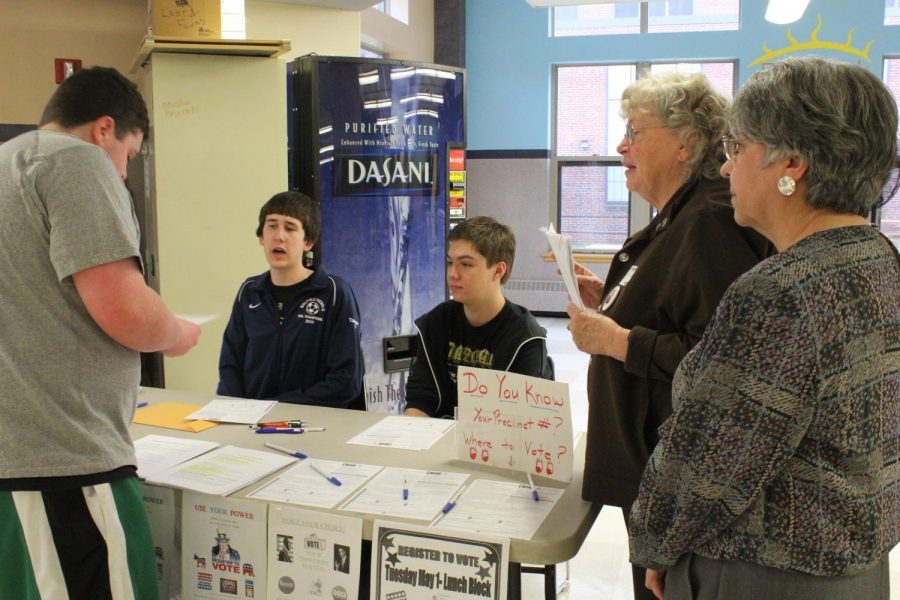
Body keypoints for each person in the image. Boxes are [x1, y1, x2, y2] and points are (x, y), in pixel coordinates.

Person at [628, 57, 900, 600]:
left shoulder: (779, 291)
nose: (726, 169)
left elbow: (708, 462)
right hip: (857, 566)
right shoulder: (879, 259)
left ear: (791, 164)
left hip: (762, 572)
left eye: (737, 149)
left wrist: (654, 545)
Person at [565, 71, 772, 599]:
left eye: (636, 131)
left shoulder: (710, 220)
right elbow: (669, 306)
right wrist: (610, 301)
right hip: (651, 467)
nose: (621, 144)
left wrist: (615, 340)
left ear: (688, 144)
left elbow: (722, 363)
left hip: (675, 477)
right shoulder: (679, 216)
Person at [0, 66, 201, 599]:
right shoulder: (75, 162)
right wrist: (175, 333)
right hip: (64, 458)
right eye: (129, 158)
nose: (122, 175)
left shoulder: (7, 163)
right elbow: (125, 309)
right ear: (104, 129)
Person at [217, 191, 364, 408]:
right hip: (251, 422)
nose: (279, 236)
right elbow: (230, 365)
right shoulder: (249, 292)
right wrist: (237, 411)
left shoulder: (334, 293)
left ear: (308, 242)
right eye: (272, 225)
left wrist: (276, 407)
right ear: (261, 237)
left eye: (290, 227)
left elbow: (346, 381)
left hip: (315, 424)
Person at [404, 216, 554, 418]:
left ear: (498, 270)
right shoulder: (436, 322)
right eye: (450, 262)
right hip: (437, 439)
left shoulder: (525, 338)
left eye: (466, 264)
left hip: (495, 444)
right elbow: (419, 399)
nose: (452, 274)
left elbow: (522, 422)